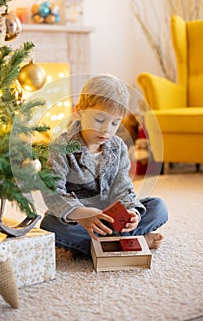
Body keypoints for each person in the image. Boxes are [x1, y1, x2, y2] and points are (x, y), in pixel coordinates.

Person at [40, 74, 168, 257]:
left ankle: (97, 246)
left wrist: (132, 213)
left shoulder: (118, 147)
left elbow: (122, 187)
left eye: (115, 123)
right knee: (50, 225)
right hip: (79, 220)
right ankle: (133, 241)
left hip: (111, 219)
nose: (107, 129)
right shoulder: (61, 147)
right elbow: (53, 192)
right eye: (99, 120)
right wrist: (80, 213)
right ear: (79, 111)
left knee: (158, 207)